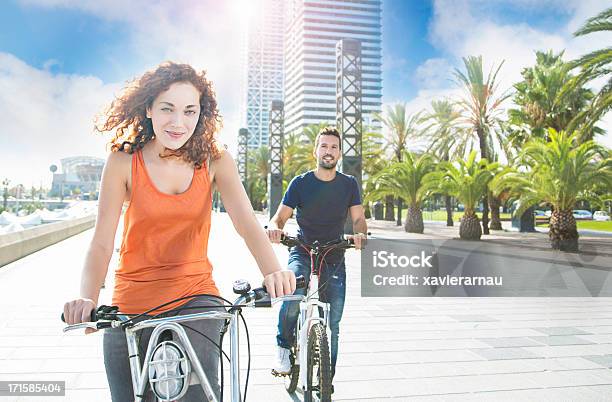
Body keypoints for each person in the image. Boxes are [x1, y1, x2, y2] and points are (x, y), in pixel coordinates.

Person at [62, 61, 296, 401]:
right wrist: (87, 298)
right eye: (167, 109)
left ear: (201, 114)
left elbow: (246, 223)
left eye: (190, 111)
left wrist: (273, 271)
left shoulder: (216, 160)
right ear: (149, 109)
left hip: (195, 293)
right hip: (132, 298)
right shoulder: (123, 162)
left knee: (199, 393)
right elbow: (101, 241)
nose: (178, 122)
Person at [266, 126, 367, 390]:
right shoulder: (300, 183)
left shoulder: (349, 184)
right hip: (302, 249)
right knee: (292, 294)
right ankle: (284, 347)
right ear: (316, 151)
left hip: (334, 254)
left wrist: (360, 235)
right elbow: (280, 216)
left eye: (334, 147)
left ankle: (326, 381)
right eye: (324, 146)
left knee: (333, 322)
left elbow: (358, 219)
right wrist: (275, 228)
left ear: (340, 153)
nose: (329, 151)